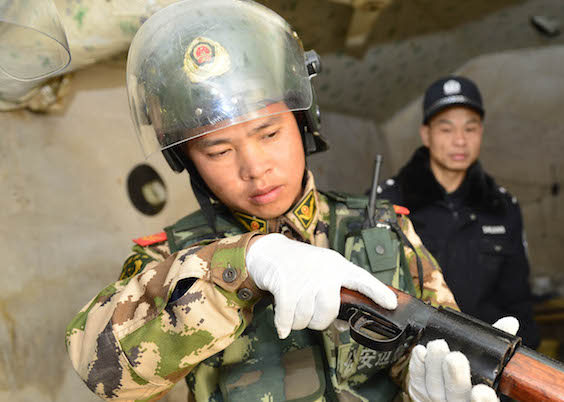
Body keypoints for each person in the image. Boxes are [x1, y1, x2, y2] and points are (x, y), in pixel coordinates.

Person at [64, 1, 515, 401]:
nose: (254, 166)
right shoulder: (168, 259)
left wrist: (424, 390)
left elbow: (430, 349)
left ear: (304, 123)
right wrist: (243, 264)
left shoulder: (384, 230)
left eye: (270, 133)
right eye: (219, 151)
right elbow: (101, 369)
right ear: (186, 160)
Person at [378, 76, 541, 349]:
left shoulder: (501, 208)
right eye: (446, 129)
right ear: (426, 134)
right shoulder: (388, 203)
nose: (460, 140)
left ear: (481, 133)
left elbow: (518, 302)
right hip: (410, 363)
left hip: (488, 362)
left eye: (470, 128)